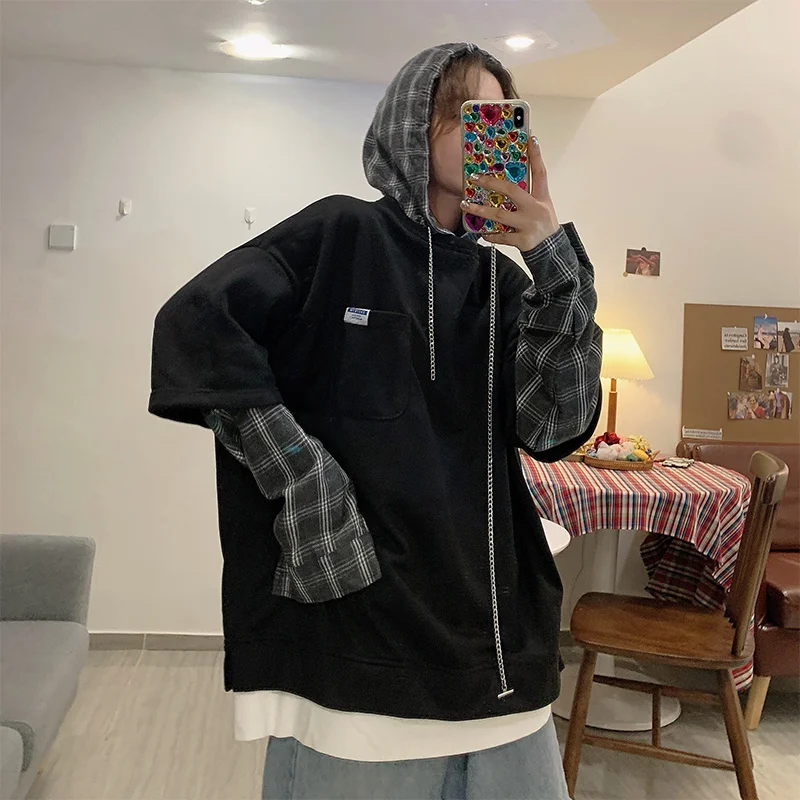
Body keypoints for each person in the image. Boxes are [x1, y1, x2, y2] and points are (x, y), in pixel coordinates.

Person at [150, 43, 602, 800]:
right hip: (359, 634)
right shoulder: (341, 234)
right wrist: (299, 472)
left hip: (496, 638)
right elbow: (195, 325)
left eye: (502, 117)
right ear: (411, 123)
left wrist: (553, 259)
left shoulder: (503, 282)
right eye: (466, 112)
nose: (488, 132)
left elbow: (554, 425)